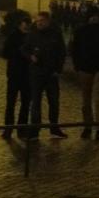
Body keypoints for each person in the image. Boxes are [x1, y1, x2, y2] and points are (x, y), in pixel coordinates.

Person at [23, 10, 67, 139]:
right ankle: (35, 130)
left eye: (41, 21)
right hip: (36, 73)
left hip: (51, 73)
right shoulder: (33, 34)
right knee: (36, 102)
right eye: (37, 21)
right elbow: (24, 48)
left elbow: (61, 52)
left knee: (53, 102)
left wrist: (58, 70)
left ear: (48, 21)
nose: (39, 23)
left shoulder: (55, 34)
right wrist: (31, 57)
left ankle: (54, 127)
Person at [70, 6, 99, 141]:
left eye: (96, 16)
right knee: (86, 100)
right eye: (92, 16)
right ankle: (87, 126)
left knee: (98, 99)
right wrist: (77, 66)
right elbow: (74, 49)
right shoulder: (81, 31)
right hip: (85, 68)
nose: (94, 18)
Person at [1, 11, 32, 140]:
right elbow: (5, 53)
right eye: (24, 25)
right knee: (11, 102)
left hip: (27, 75)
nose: (26, 27)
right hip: (14, 73)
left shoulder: (31, 37)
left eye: (27, 25)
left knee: (25, 103)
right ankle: (8, 128)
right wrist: (18, 54)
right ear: (19, 25)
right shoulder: (13, 36)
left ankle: (22, 128)